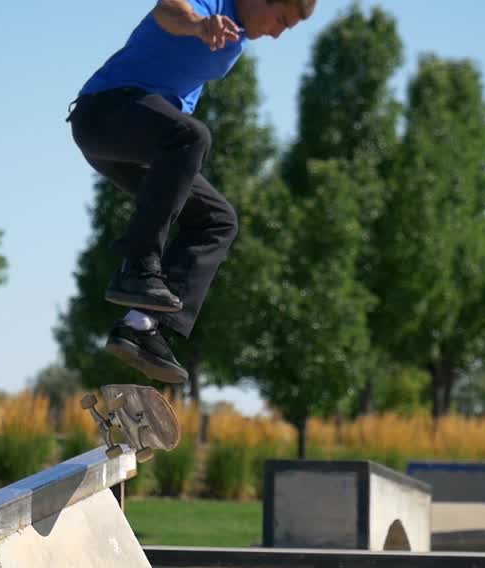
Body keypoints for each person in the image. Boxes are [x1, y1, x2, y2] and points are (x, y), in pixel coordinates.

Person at [67, 0, 315, 385]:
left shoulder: (234, 44)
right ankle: (138, 266)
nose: (277, 33)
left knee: (217, 220)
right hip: (103, 113)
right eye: (280, 19)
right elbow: (167, 9)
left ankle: (143, 327)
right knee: (191, 136)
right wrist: (201, 25)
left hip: (138, 140)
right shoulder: (212, 6)